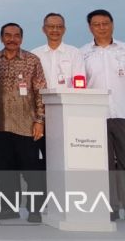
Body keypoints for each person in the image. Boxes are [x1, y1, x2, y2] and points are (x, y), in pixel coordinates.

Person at [81, 9, 125, 224]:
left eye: (105, 23)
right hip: (96, 117)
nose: (101, 27)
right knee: (104, 165)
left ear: (112, 24)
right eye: (96, 24)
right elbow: (79, 85)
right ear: (89, 27)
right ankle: (110, 207)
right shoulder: (83, 53)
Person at [0, 23, 47, 223]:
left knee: (31, 171)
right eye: (7, 35)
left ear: (21, 39)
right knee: (5, 170)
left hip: (26, 125)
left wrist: (40, 120)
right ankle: (9, 208)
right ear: (1, 38)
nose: (12, 39)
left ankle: (35, 210)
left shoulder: (32, 60)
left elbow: (40, 92)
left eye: (16, 36)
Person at [31, 12, 86, 166]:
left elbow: (79, 84)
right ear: (44, 29)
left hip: (67, 115)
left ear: (64, 29)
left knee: (67, 158)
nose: (55, 30)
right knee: (43, 158)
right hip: (42, 115)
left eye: (59, 26)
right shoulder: (35, 54)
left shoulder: (74, 53)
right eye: (51, 26)